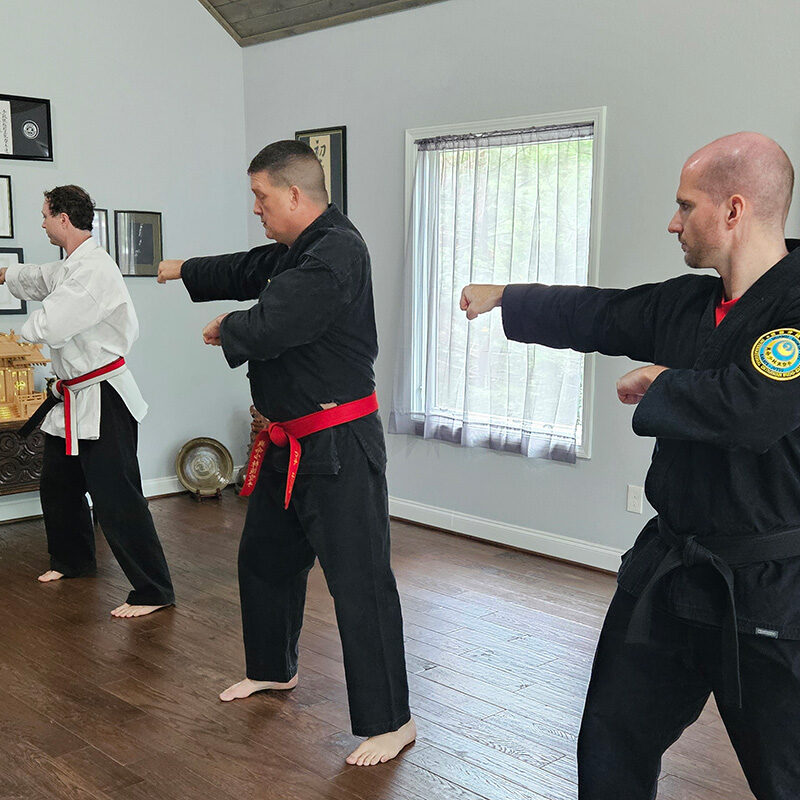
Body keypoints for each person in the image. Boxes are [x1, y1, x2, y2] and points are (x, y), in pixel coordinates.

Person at [460, 132, 800, 799]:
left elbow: (754, 408)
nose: (673, 222)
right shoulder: (688, 304)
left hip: (767, 586)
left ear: (734, 211)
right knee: (612, 737)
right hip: (670, 568)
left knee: (785, 771)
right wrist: (508, 295)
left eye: (685, 206)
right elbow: (604, 312)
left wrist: (662, 385)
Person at [157, 140, 415, 766]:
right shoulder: (297, 250)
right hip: (286, 442)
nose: (256, 208)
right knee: (265, 560)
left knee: (360, 582)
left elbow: (279, 322)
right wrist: (185, 268)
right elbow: (250, 268)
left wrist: (232, 327)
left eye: (261, 197)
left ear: (295, 195)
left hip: (340, 446)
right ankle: (274, 669)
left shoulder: (338, 251)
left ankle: (392, 721)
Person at [0, 185, 174, 618]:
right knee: (58, 484)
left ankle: (154, 589)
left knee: (117, 496)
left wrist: (15, 337)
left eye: (44, 215)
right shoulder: (71, 266)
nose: (41, 223)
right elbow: (42, 278)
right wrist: (6, 275)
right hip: (72, 397)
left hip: (105, 396)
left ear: (63, 218)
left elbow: (54, 319)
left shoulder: (95, 269)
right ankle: (73, 561)